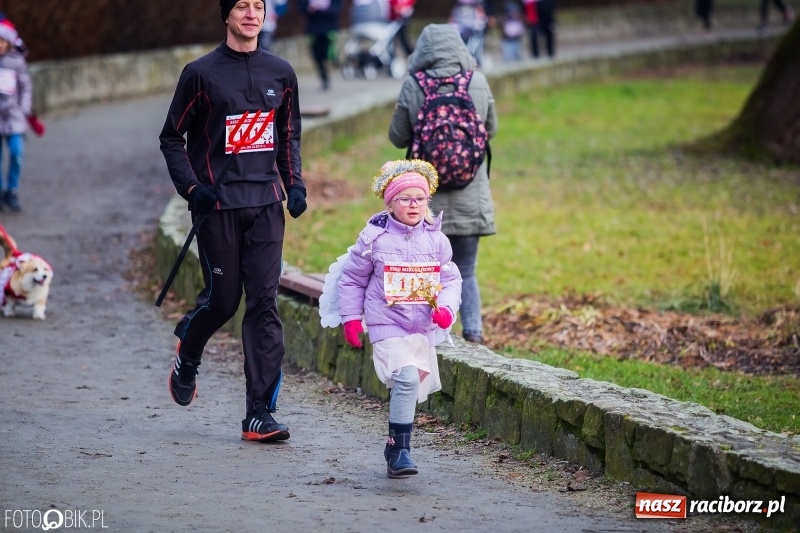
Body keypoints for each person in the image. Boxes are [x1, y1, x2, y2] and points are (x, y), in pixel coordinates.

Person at [159, 0, 306, 443]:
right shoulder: (200, 74)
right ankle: (190, 343)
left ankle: (259, 413)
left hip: (265, 203)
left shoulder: (281, 73)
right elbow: (171, 138)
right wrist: (192, 188)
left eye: (258, 6)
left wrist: (294, 184)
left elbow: (288, 133)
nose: (250, 13)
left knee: (263, 305)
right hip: (217, 206)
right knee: (222, 302)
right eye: (241, 6)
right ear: (226, 15)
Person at [337, 159, 462, 478]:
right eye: (405, 199)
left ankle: (394, 446)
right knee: (406, 378)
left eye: (420, 199)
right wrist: (351, 318)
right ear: (390, 202)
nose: (413, 205)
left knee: (411, 384)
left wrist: (446, 309)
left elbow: (451, 281)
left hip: (420, 326)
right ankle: (401, 451)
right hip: (385, 323)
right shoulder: (374, 238)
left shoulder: (437, 240)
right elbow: (352, 279)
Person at [388, 24, 498, 345]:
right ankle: (474, 333)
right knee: (466, 269)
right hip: (470, 195)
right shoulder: (477, 82)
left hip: (423, 201)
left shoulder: (414, 85)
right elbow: (491, 128)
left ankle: (424, 335)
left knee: (424, 269)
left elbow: (397, 137)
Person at [0, 18, 35, 213]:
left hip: (14, 117)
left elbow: (26, 87)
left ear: (9, 42)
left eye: (2, 41)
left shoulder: (17, 62)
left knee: (16, 152)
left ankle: (11, 190)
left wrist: (23, 110)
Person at [299, 0, 343, 91]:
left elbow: (337, 6)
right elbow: (301, 6)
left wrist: (323, 9)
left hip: (329, 26)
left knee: (328, 52)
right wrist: (309, 8)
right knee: (317, 56)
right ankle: (324, 77)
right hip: (313, 27)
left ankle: (334, 61)